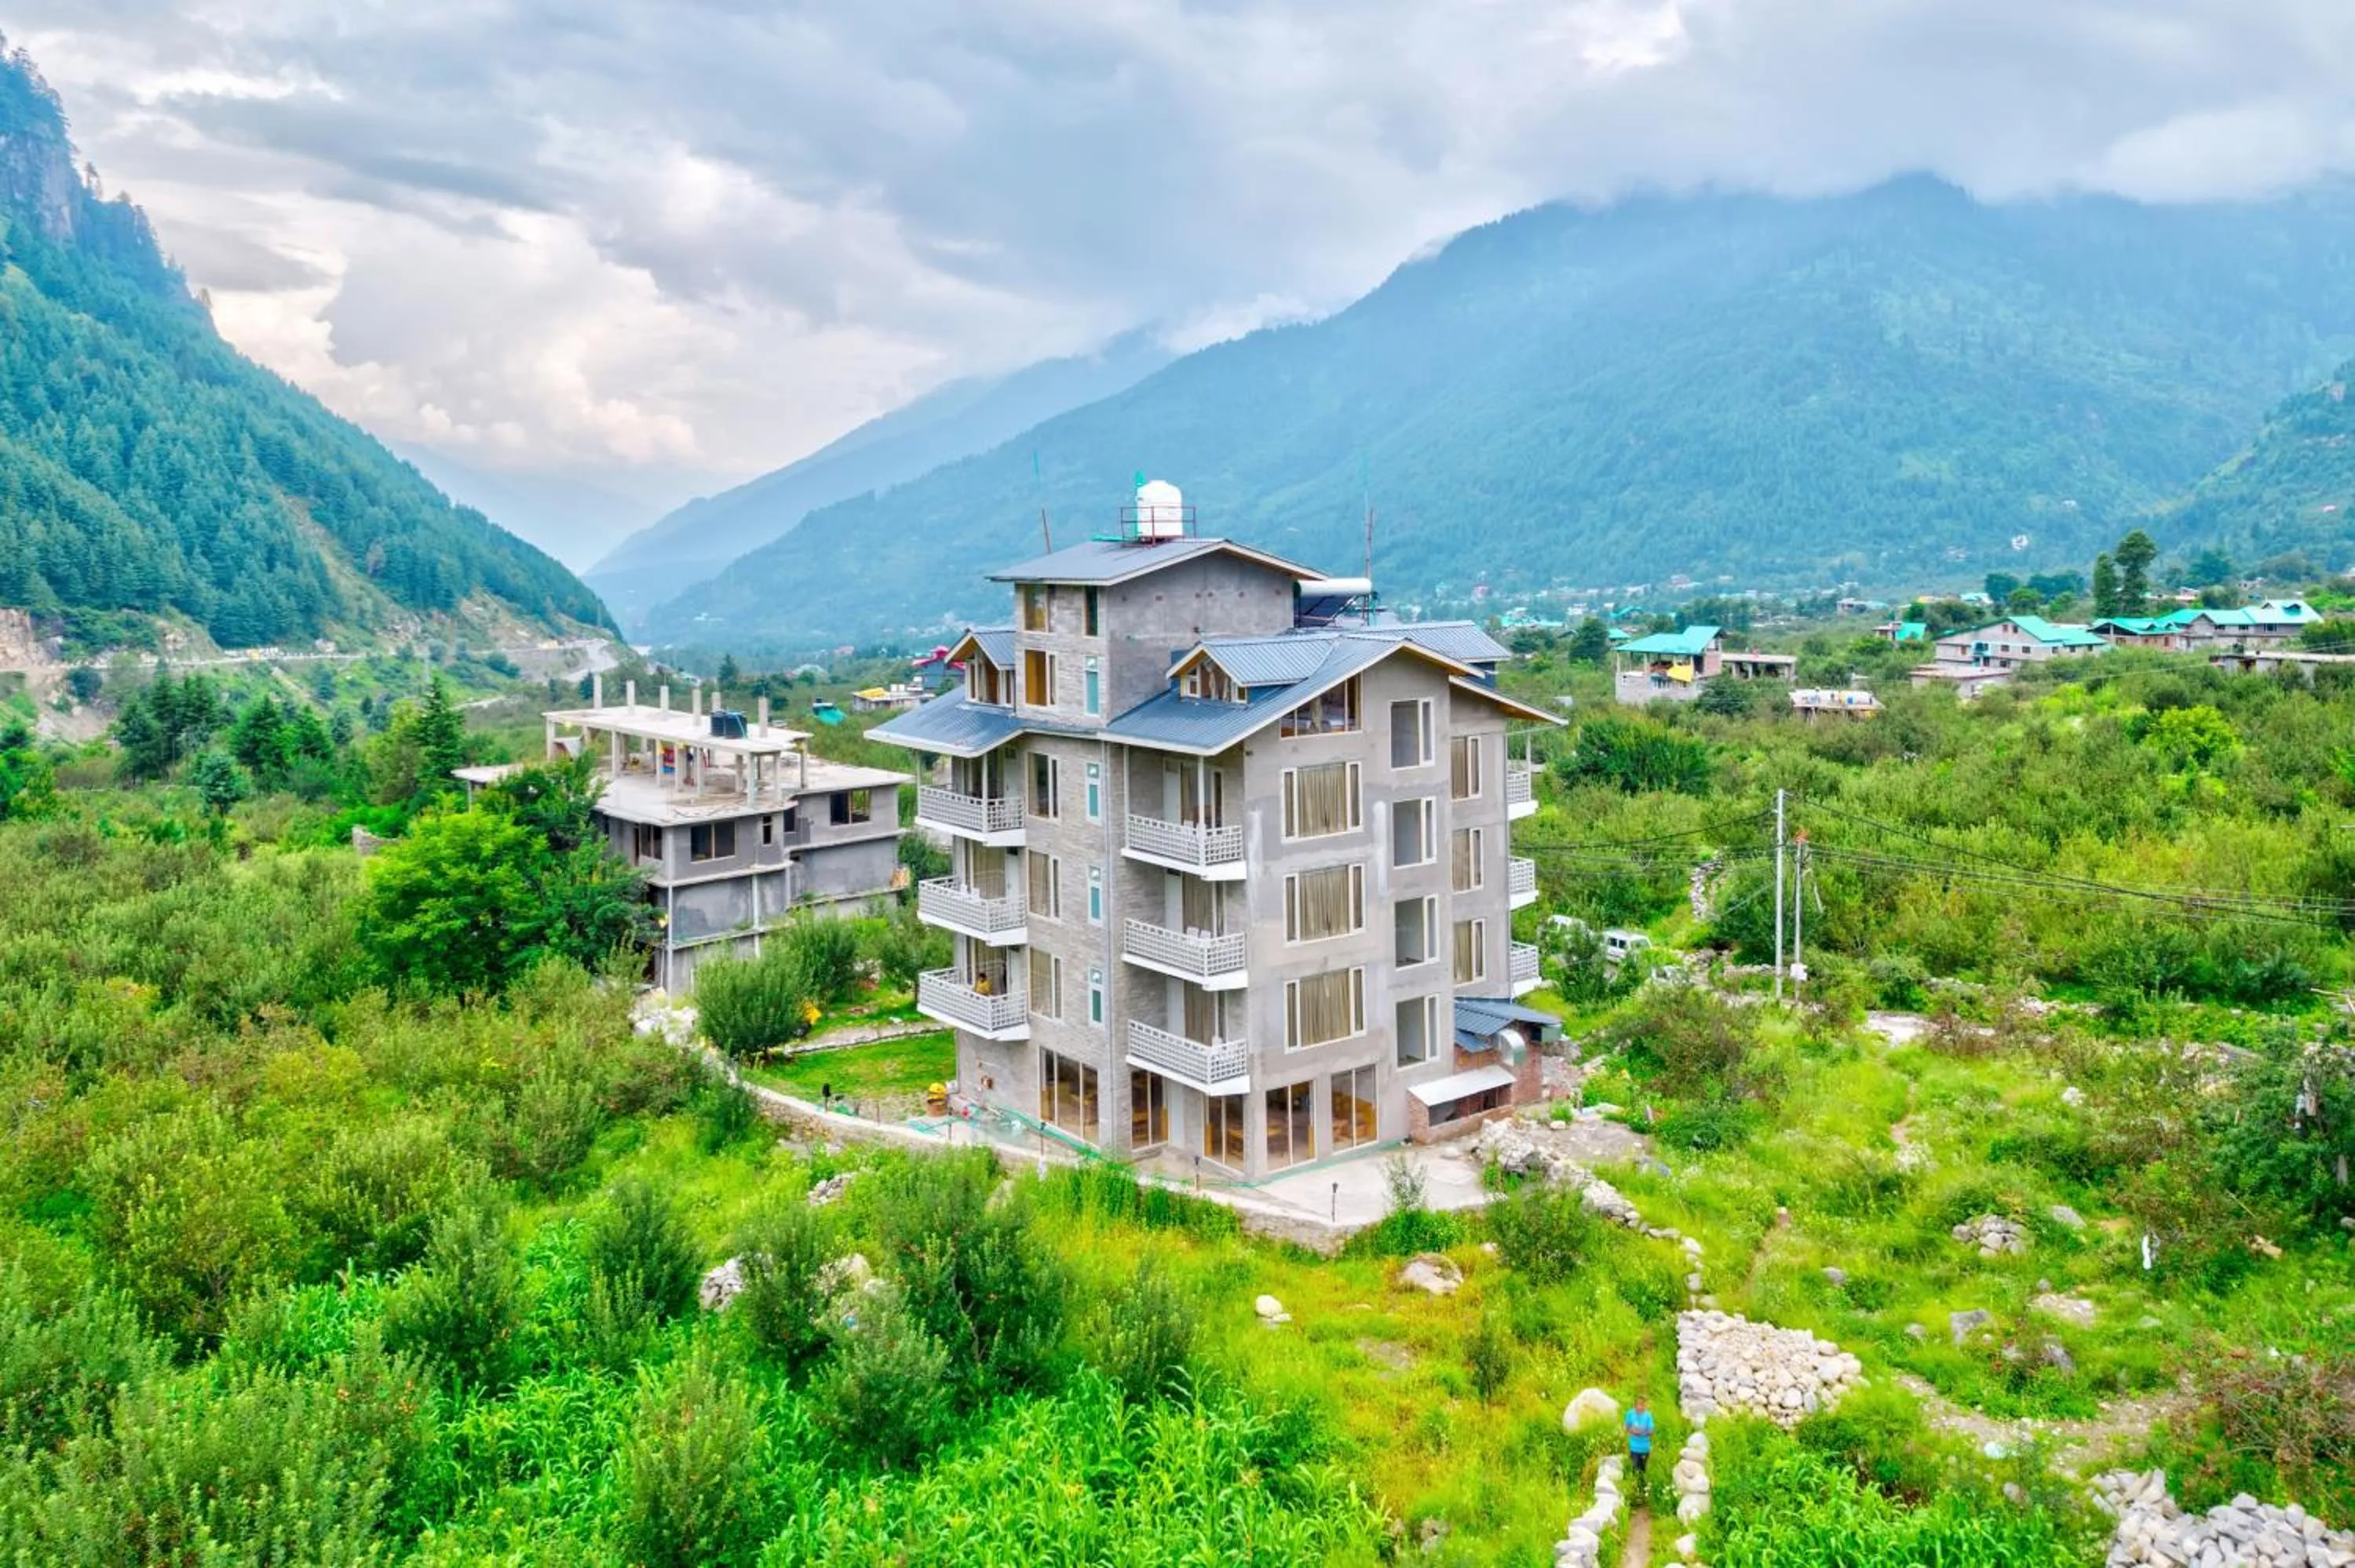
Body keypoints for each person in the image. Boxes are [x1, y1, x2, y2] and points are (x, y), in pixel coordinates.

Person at [1623, 1395, 1655, 1497]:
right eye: (1638, 1405)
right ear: (1635, 1405)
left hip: (1645, 1447)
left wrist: (1642, 1432)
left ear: (1645, 1406)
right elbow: (1626, 1427)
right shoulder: (1630, 1414)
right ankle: (1634, 1491)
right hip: (1634, 1447)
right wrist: (1631, 1430)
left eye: (1642, 1405)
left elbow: (1651, 1431)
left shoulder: (1648, 1416)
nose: (1640, 1407)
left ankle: (1643, 1492)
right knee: (1635, 1468)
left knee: (1643, 1469)